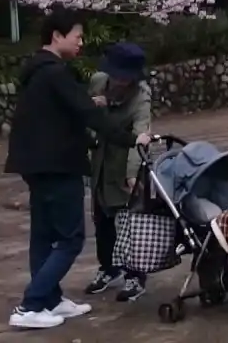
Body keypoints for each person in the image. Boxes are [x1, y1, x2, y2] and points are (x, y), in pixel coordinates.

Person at [4, 8, 151, 330]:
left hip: (35, 163)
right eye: (77, 36)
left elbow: (64, 111)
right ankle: (31, 304)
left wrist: (87, 106)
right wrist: (132, 139)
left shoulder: (38, 71)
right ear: (57, 36)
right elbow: (92, 117)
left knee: (43, 236)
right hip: (58, 164)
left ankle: (50, 300)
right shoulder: (56, 73)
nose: (81, 42)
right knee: (71, 239)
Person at [84, 43, 153, 303]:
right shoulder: (98, 82)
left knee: (130, 222)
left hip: (124, 163)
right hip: (100, 161)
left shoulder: (141, 96)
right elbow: (86, 117)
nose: (121, 81)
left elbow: (141, 136)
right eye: (118, 75)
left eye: (127, 76)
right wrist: (97, 106)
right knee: (102, 221)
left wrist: (133, 173)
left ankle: (135, 275)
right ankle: (108, 268)